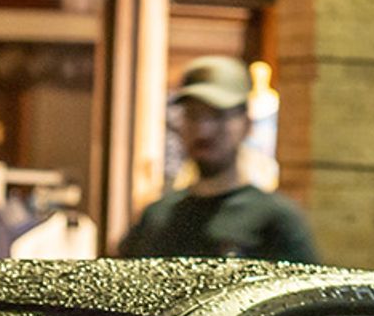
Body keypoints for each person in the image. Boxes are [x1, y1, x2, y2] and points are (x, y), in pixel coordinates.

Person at [116, 57, 318, 263]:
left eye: (218, 115)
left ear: (247, 124)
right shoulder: (155, 218)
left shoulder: (277, 221)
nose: (204, 130)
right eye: (193, 115)